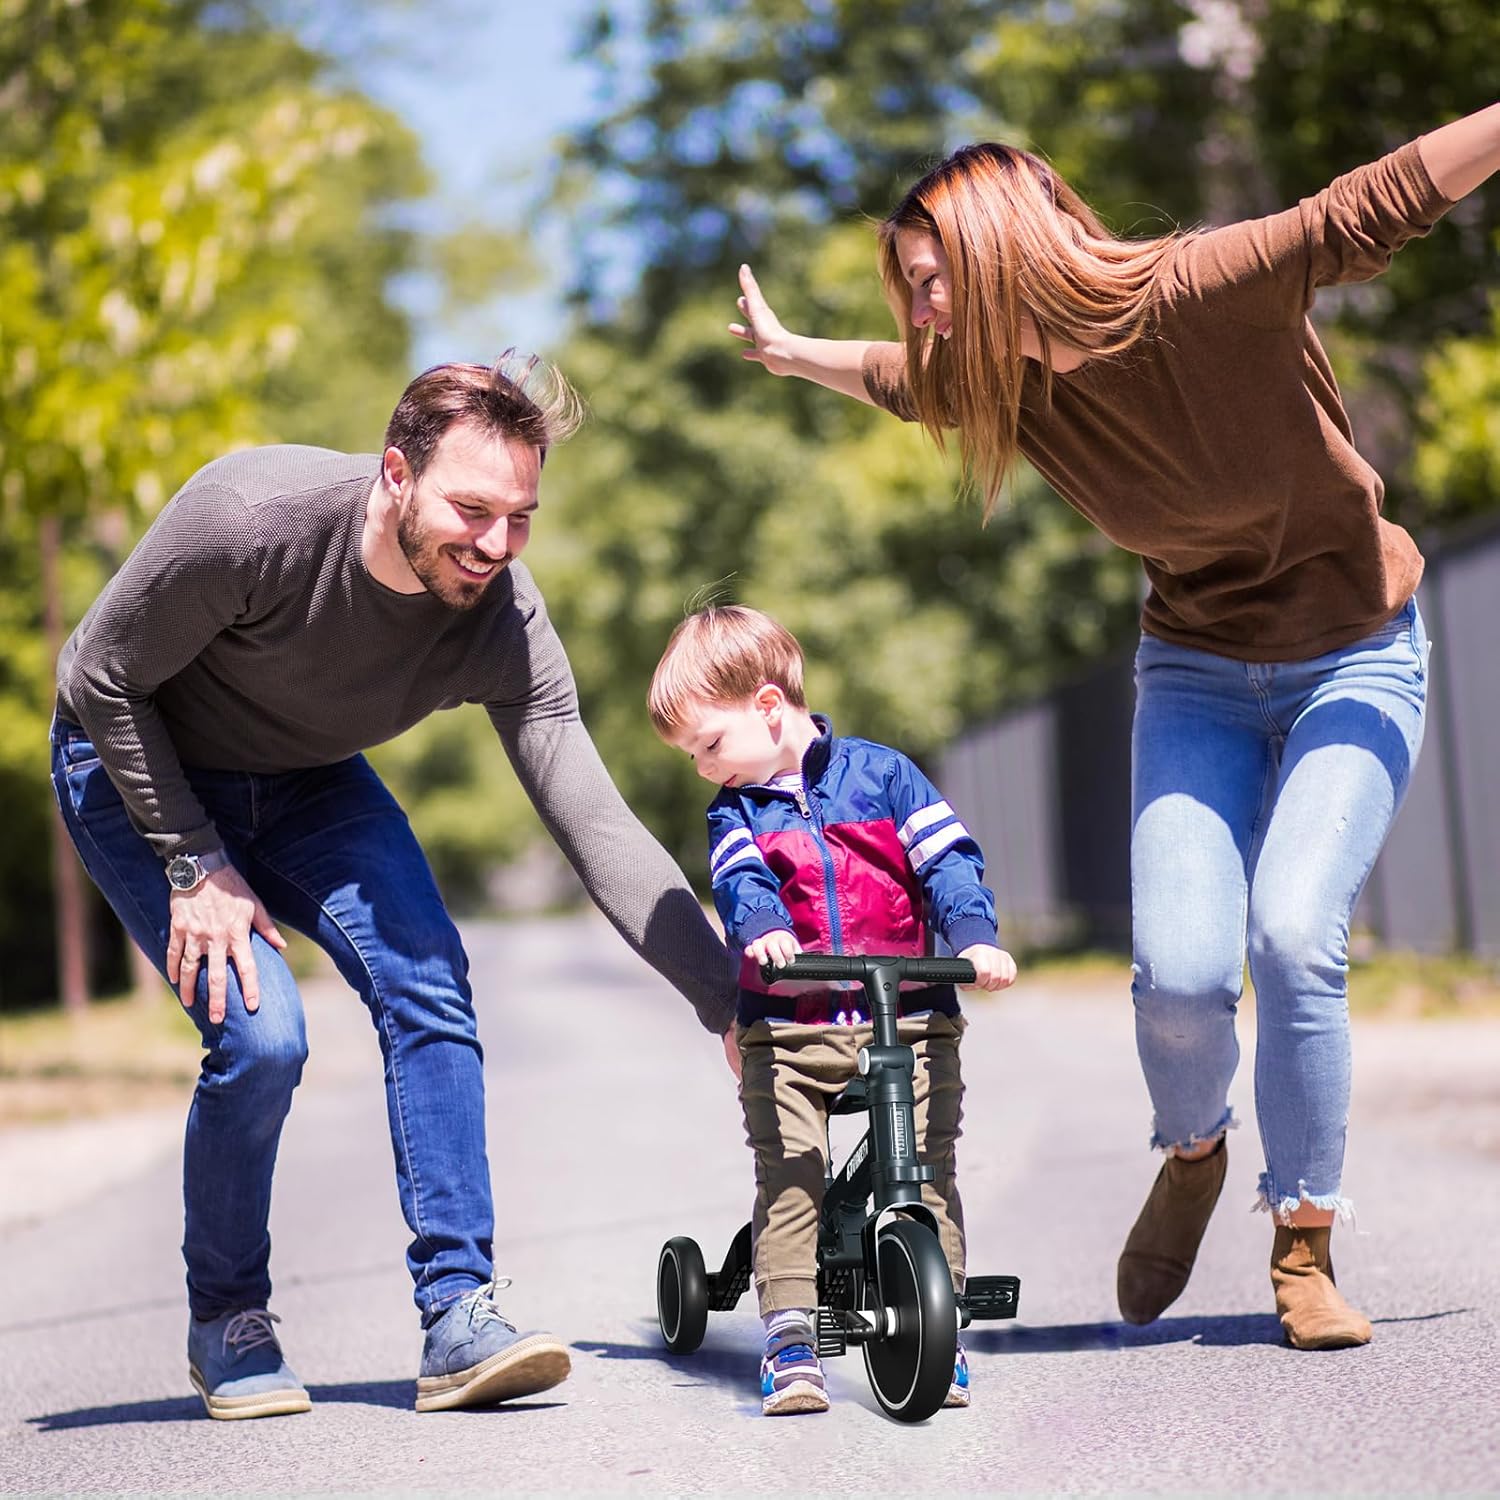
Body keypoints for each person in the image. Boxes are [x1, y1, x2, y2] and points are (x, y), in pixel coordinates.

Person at [726, 105, 1500, 1348]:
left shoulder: (1198, 289)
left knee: (1296, 931)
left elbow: (1369, 203)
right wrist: (790, 352)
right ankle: (1192, 1151)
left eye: (931, 284)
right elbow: (892, 378)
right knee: (1184, 980)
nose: (922, 313)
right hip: (1194, 667)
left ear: (993, 257)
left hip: (1356, 648)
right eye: (911, 293)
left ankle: (1302, 1244)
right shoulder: (1005, 387)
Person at [50, 356, 738, 1419]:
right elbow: (99, 671)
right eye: (472, 508)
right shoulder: (251, 519)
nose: (496, 544)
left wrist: (726, 998)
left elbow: (593, 820)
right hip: (138, 768)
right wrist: (193, 859)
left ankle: (459, 1314)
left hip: (309, 779)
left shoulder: (501, 617)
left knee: (432, 984)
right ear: (395, 473)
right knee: (264, 1038)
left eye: (521, 517)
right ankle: (227, 1315)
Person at [648, 604, 1016, 1414]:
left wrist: (975, 937)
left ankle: (939, 1328)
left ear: (769, 707)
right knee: (794, 1177)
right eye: (693, 755)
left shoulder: (885, 776)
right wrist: (768, 932)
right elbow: (741, 883)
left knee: (926, 1167)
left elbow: (948, 858)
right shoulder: (734, 811)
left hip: (910, 1013)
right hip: (792, 1027)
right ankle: (788, 1337)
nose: (706, 767)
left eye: (710, 744)